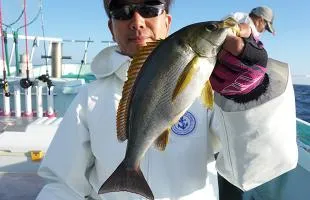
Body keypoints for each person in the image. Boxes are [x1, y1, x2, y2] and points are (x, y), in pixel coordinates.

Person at [36, 1, 298, 200]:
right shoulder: (89, 96)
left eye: (150, 8)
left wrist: (249, 97)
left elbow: (251, 172)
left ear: (168, 21)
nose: (137, 21)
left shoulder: (214, 86)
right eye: (122, 11)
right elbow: (62, 183)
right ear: (111, 27)